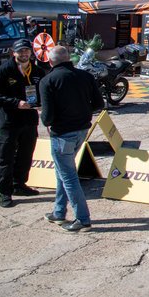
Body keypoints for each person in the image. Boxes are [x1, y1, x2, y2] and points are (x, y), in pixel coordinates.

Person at [39, 45, 104, 232]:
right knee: (62, 172)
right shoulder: (85, 76)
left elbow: (48, 117)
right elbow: (99, 103)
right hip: (81, 130)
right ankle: (59, 211)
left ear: (50, 62)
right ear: (69, 59)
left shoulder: (48, 80)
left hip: (62, 134)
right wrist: (82, 113)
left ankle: (82, 219)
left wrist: (46, 120)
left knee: (68, 177)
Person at [0, 39, 45, 208]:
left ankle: (19, 184)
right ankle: (4, 192)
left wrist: (42, 104)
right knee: (6, 157)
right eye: (20, 52)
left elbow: (43, 91)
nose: (24, 54)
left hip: (29, 121)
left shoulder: (37, 71)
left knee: (25, 155)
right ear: (13, 53)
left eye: (26, 51)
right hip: (10, 122)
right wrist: (15, 103)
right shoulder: (2, 72)